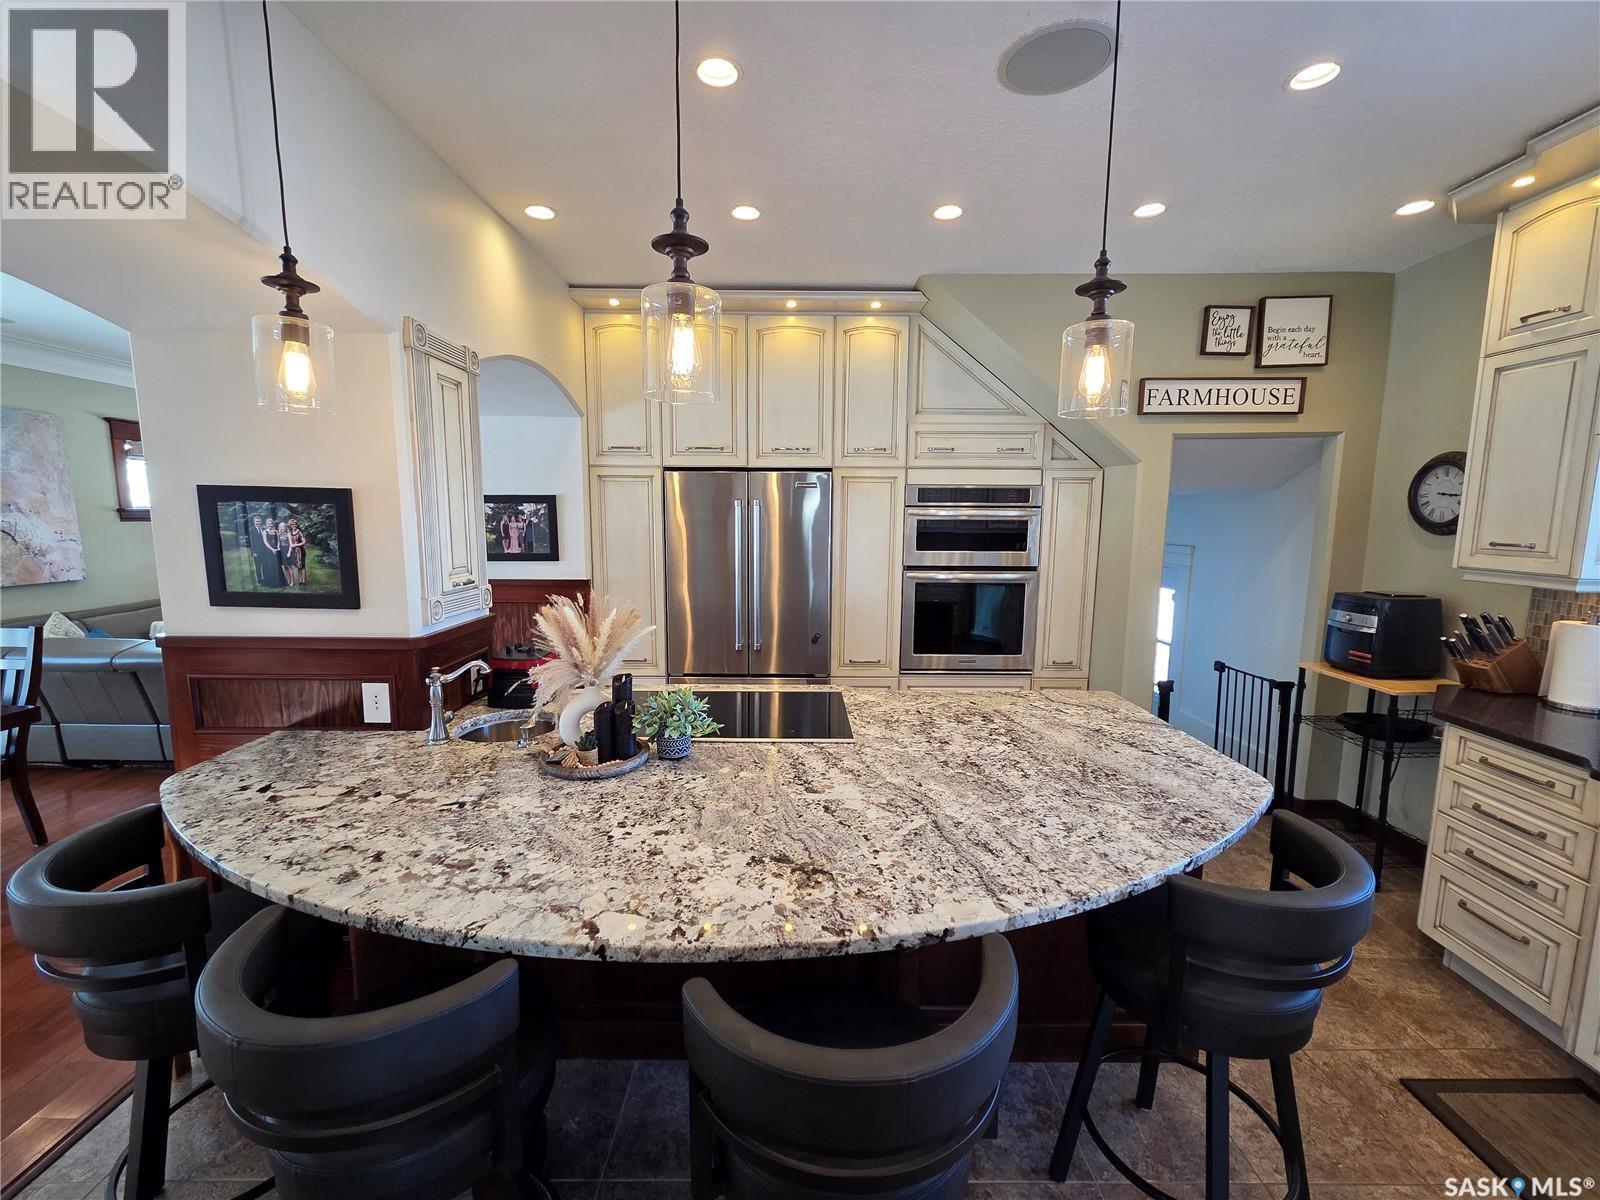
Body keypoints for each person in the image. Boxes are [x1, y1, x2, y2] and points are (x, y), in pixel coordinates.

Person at [251, 514, 284, 588]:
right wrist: (253, 552)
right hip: (257, 551)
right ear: (254, 522)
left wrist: (277, 547)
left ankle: (266, 579)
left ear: (261, 522)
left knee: (265, 566)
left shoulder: (263, 529)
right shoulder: (251, 530)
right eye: (256, 521)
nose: (258, 522)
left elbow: (275, 540)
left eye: (259, 521)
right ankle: (259, 580)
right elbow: (251, 542)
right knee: (258, 566)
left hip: (265, 551)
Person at [287, 517, 308, 585]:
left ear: (296, 525)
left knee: (302, 566)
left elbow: (304, 541)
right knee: (298, 566)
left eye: (295, 524)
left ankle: (304, 581)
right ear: (290, 525)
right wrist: (290, 550)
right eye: (292, 524)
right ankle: (300, 580)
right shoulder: (290, 533)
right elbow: (290, 544)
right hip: (295, 552)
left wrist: (296, 545)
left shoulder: (299, 532)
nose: (293, 525)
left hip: (301, 551)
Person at [277, 520, 295, 587]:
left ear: (285, 527)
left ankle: (292, 582)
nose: (282, 528)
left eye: (283, 527)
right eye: (281, 527)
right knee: (285, 566)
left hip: (287, 550)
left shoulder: (288, 534)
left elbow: (291, 544)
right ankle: (287, 581)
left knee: (289, 566)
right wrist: (278, 546)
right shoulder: (279, 534)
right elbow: (279, 543)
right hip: (282, 551)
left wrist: (289, 552)